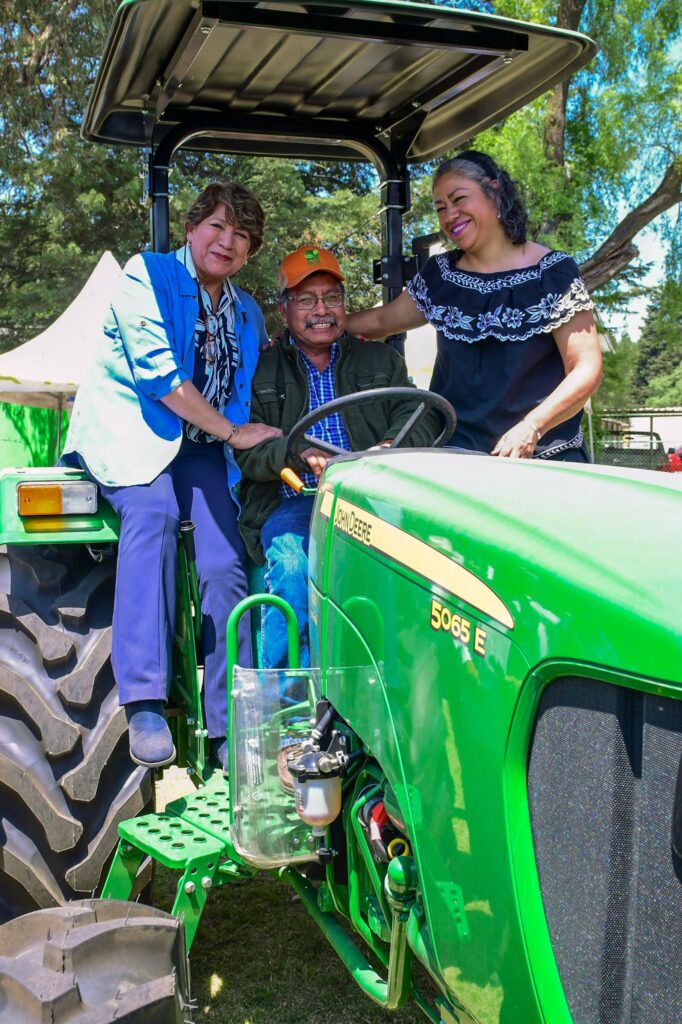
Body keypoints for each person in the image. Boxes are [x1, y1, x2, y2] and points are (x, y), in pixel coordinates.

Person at [62, 182, 282, 770]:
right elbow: (161, 380)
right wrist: (234, 434)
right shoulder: (146, 277)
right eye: (216, 226)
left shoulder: (247, 311)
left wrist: (258, 439)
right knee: (153, 513)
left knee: (224, 561)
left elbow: (249, 394)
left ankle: (228, 721)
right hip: (132, 431)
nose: (226, 242)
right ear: (191, 229)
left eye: (241, 237)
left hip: (202, 448)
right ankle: (144, 699)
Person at [236, 244, 439, 672]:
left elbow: (416, 412)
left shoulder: (381, 359)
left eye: (331, 297)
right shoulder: (261, 369)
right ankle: (290, 705)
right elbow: (248, 451)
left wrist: (388, 448)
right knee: (292, 567)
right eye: (307, 300)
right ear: (285, 307)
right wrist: (295, 453)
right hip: (295, 502)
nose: (321, 310)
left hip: (370, 502)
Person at [346, 150, 602, 461]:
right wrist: (309, 328)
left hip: (545, 456)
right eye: (441, 208)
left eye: (459, 199)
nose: (449, 215)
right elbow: (380, 322)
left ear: (494, 192)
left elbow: (585, 368)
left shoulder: (552, 273)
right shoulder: (440, 276)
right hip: (458, 457)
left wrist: (531, 427)